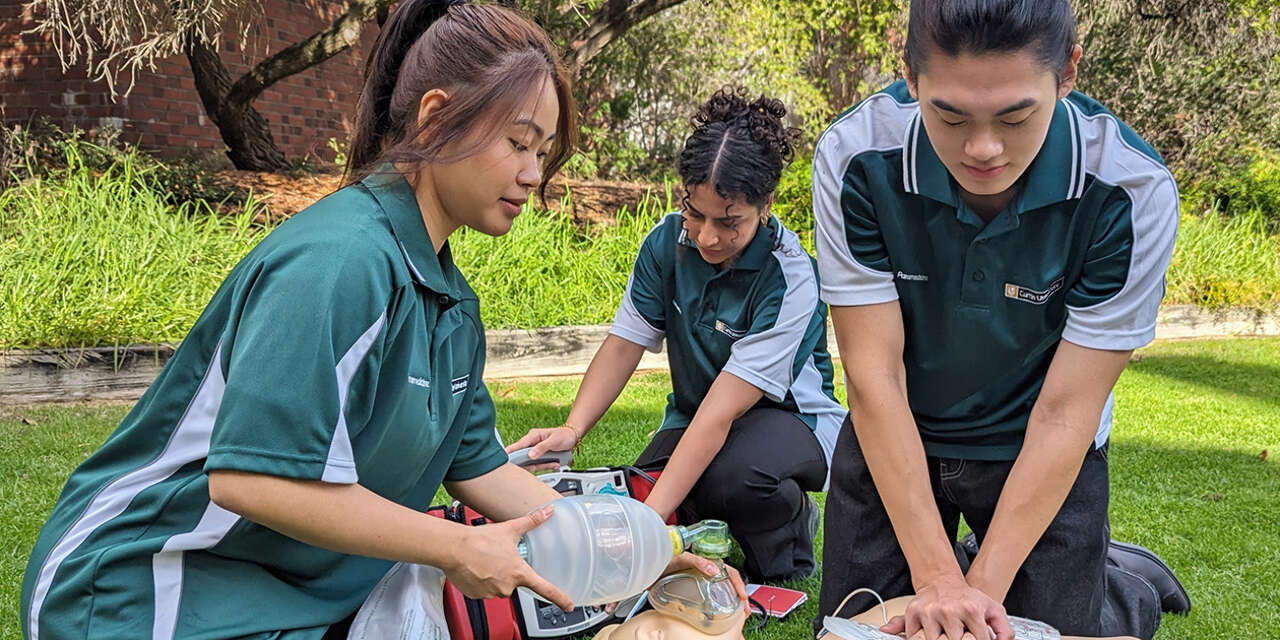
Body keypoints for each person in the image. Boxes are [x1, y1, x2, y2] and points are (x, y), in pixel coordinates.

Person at [20, 3, 731, 639]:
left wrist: (639, 545)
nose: (533, 174)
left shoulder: (451, 302)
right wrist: (452, 548)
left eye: (543, 153)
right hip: (139, 592)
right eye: (518, 143)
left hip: (291, 596)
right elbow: (248, 480)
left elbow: (479, 467)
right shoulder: (341, 260)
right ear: (434, 117)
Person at [811, 1, 1188, 639]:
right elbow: (873, 374)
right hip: (901, 429)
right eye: (948, 115)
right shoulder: (854, 157)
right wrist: (935, 582)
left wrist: (975, 600)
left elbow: (1066, 412)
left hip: (1037, 440)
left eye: (1016, 116)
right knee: (857, 632)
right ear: (910, 75)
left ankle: (1120, 587)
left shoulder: (1132, 191)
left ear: (1067, 72)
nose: (982, 149)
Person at [508, 89, 847, 583]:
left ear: (766, 205)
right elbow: (624, 342)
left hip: (793, 422)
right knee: (647, 485)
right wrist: (573, 429)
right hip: (698, 414)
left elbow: (720, 414)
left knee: (732, 477)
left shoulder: (791, 278)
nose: (706, 236)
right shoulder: (666, 242)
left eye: (729, 222)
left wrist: (647, 530)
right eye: (695, 212)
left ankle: (789, 541)